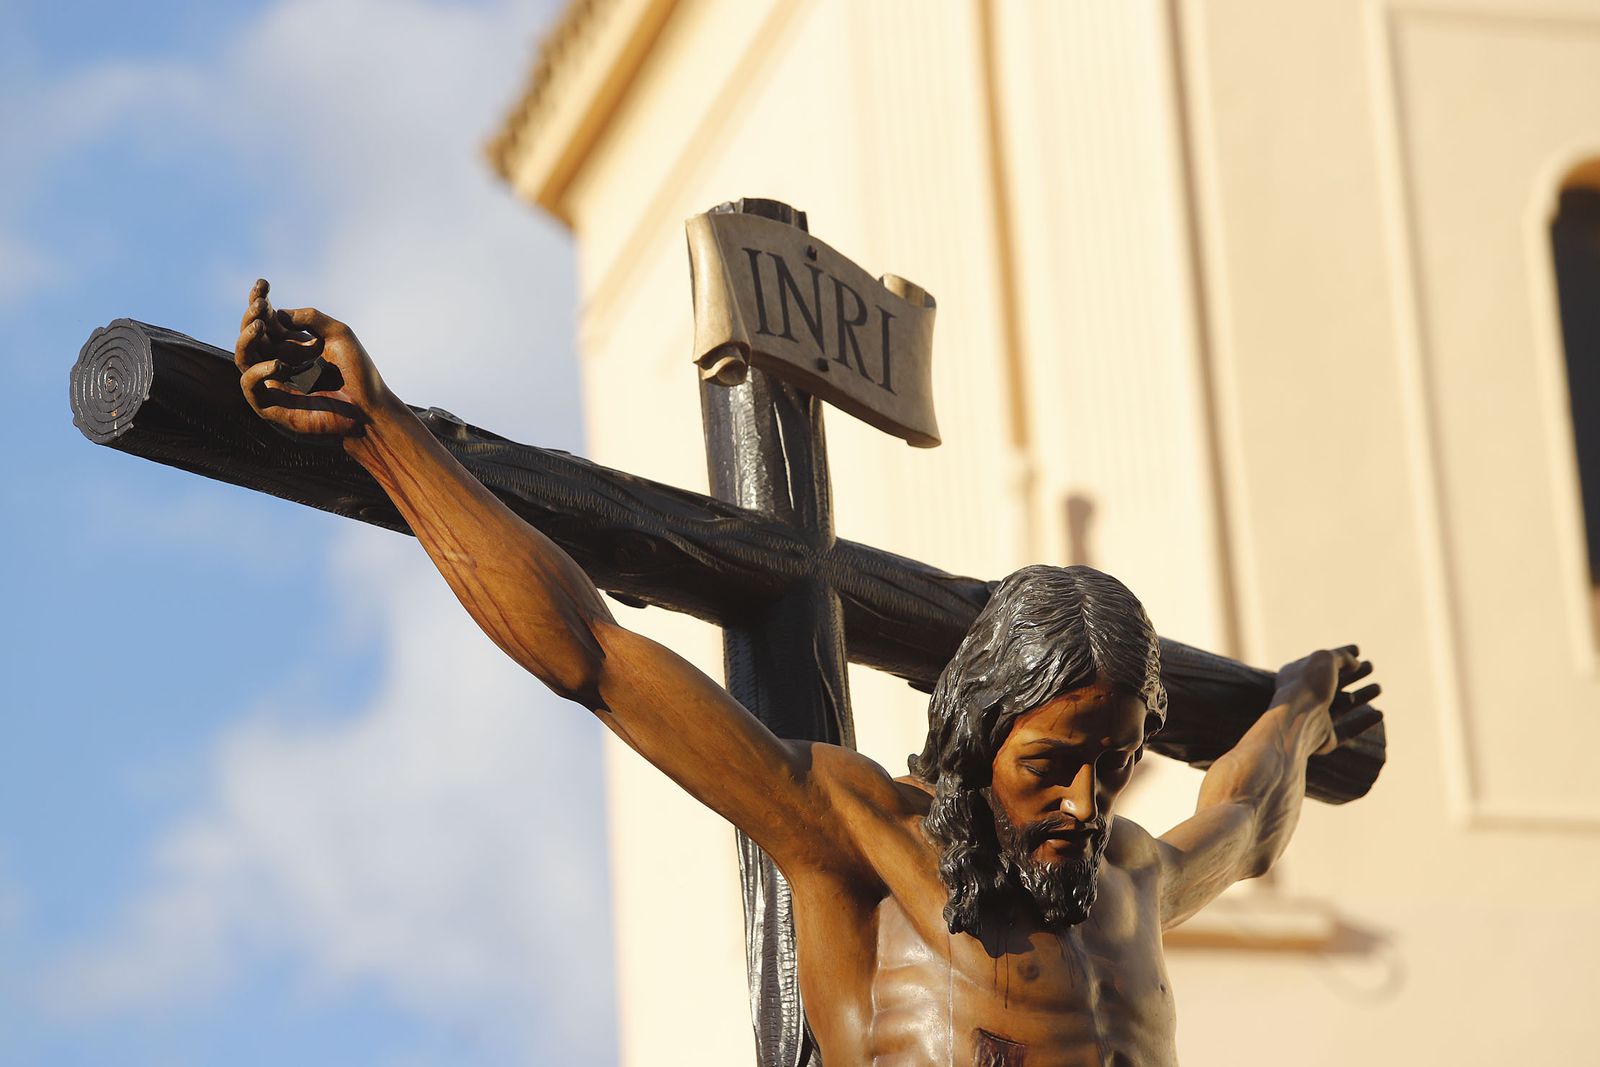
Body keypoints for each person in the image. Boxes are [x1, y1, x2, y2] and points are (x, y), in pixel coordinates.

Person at [234, 281, 1381, 1066]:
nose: (1085, 802)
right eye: (1052, 764)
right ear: (979, 735)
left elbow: (1246, 813)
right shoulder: (859, 835)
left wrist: (1302, 700)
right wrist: (381, 432)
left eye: (1113, 767)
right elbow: (595, 655)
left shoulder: (1130, 880)